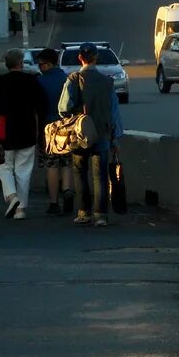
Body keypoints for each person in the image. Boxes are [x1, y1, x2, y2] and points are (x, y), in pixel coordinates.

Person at [59, 42, 116, 227]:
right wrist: (115, 135)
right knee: (100, 174)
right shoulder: (108, 81)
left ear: (80, 58)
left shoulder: (74, 79)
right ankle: (101, 215)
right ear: (96, 57)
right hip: (102, 132)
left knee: (80, 171)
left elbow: (63, 107)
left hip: (80, 133)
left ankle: (84, 212)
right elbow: (114, 111)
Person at [0, 48, 48, 220]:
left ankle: (12, 196)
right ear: (21, 63)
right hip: (28, 131)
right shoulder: (31, 80)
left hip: (5, 131)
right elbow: (42, 105)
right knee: (23, 171)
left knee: (4, 167)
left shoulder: (0, 82)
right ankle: (21, 209)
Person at [36, 48, 75, 215]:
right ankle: (67, 191)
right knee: (66, 162)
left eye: (41, 64)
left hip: (48, 128)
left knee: (52, 165)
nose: (39, 67)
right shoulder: (67, 79)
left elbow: (37, 108)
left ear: (48, 63)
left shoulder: (39, 82)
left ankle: (54, 203)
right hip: (66, 127)